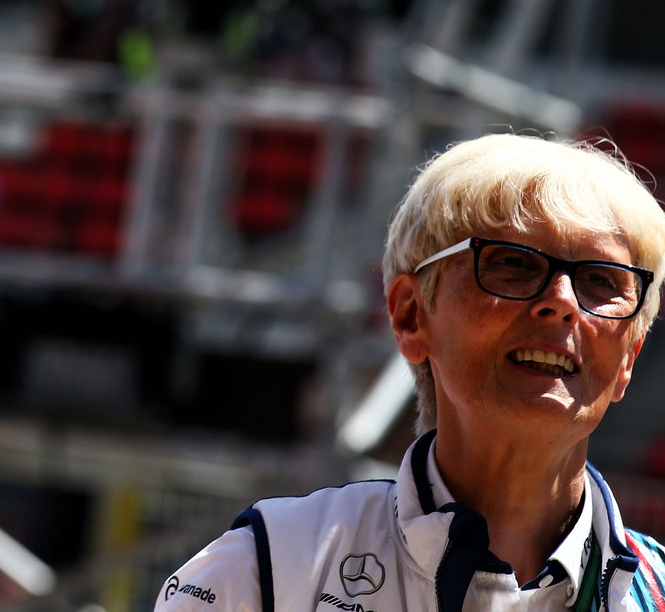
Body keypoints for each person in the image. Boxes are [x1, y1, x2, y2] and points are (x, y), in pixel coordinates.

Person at [156, 133, 665, 612]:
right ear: (410, 315)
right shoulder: (265, 569)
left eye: (602, 281)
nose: (562, 302)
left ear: (629, 357)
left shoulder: (656, 591)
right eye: (514, 264)